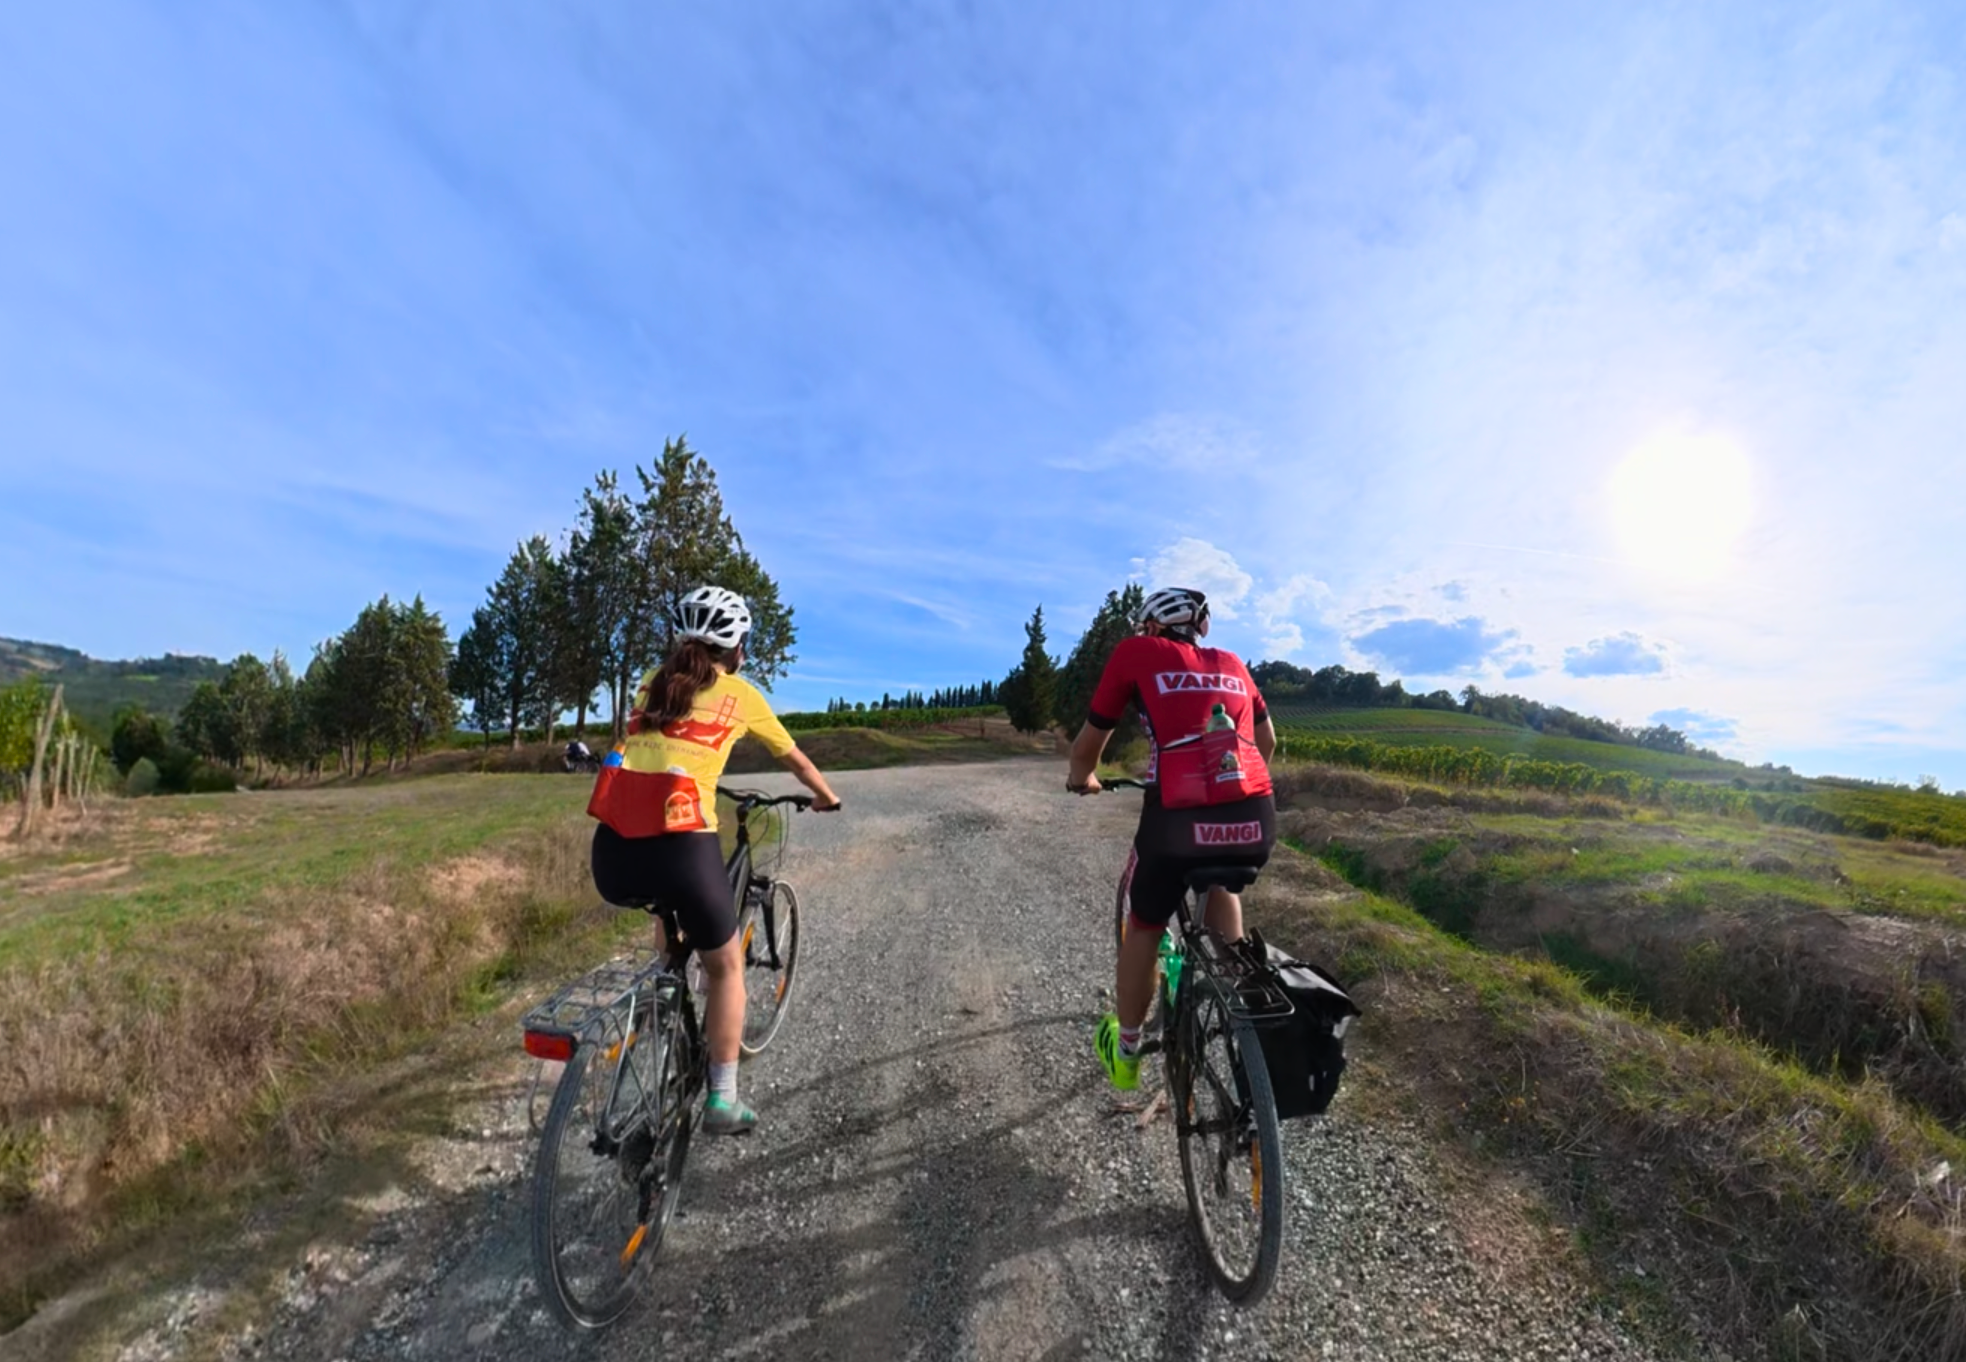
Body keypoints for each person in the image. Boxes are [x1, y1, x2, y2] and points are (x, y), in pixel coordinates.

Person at [586, 585, 841, 1135]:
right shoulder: (741, 694)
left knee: (665, 903)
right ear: (737, 648)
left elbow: (654, 751)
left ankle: (664, 983)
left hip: (610, 852)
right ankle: (722, 1101)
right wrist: (826, 795)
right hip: (682, 844)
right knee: (726, 967)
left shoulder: (650, 685)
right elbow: (794, 759)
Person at [1064, 586, 1278, 1092]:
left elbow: (1089, 744)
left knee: (1144, 922)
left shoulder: (1136, 652)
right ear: (1200, 627)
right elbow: (1266, 744)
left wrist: (1082, 779)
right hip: (1254, 815)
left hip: (1175, 821)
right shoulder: (1233, 663)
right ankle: (1242, 1011)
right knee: (1220, 882)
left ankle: (1129, 1051)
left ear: (1152, 627)